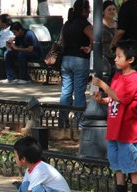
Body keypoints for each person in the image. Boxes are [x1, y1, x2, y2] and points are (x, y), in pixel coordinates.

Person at [91, 39, 137, 192]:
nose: (115, 59)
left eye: (119, 56)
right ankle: (120, 190)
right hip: (114, 127)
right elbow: (114, 99)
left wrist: (103, 86)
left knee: (130, 161)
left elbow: (122, 98)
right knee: (115, 160)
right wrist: (102, 100)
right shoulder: (117, 76)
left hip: (127, 129)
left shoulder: (134, 78)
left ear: (131, 59)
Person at [2, 136, 73, 192]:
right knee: (24, 187)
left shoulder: (39, 170)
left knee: (35, 191)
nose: (14, 158)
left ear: (23, 159)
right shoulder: (30, 169)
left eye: (15, 155)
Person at [58, 0, 93, 128]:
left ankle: (62, 121)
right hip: (80, 59)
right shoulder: (85, 24)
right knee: (79, 92)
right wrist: (90, 48)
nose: (89, 11)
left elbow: (62, 40)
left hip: (66, 59)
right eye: (88, 9)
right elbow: (95, 37)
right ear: (84, 10)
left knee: (66, 91)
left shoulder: (68, 23)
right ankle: (79, 122)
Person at [102, 1, 117, 81]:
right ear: (103, 11)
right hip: (103, 57)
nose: (112, 11)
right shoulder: (98, 25)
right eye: (109, 9)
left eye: (114, 9)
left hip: (117, 57)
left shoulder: (118, 24)